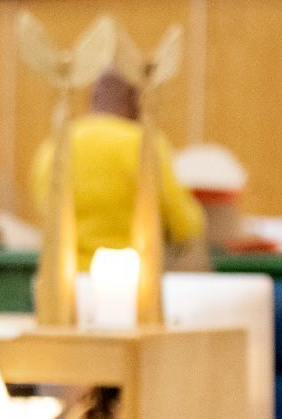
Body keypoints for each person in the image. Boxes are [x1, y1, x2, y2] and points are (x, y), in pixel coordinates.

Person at [29, 67, 202, 271]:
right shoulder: (145, 144)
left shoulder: (54, 145)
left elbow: (44, 208)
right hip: (129, 279)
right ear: (134, 99)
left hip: (66, 277)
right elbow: (184, 223)